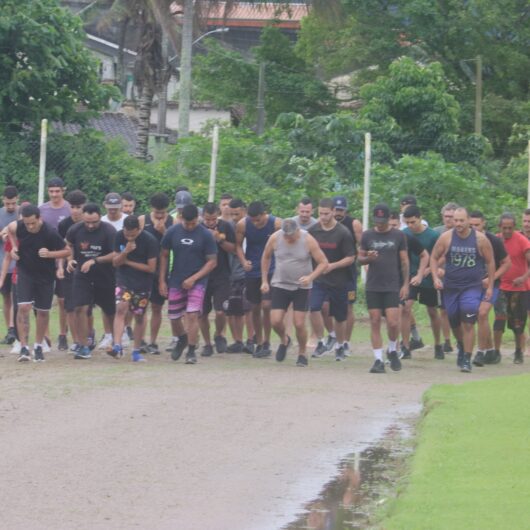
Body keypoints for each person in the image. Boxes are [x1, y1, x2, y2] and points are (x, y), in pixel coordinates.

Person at [430, 207, 495, 372]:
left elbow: (490, 262)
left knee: (468, 321)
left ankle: (466, 357)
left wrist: (490, 286)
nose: (458, 224)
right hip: (451, 287)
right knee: (453, 320)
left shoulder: (480, 239)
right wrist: (436, 278)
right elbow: (433, 257)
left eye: (461, 220)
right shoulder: (446, 237)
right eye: (455, 220)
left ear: (468, 221)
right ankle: (460, 344)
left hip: (472, 287)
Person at [261, 219, 328, 366]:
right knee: (275, 321)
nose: (287, 238)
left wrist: (310, 277)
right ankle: (285, 340)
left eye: (290, 235)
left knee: (299, 323)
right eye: (285, 235)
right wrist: (264, 280)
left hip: (301, 287)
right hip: (280, 284)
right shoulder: (275, 238)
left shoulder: (308, 239)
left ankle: (302, 353)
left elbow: (323, 262)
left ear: (297, 231)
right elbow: (265, 257)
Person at [8, 205, 69, 362]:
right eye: (27, 223)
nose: (30, 226)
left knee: (42, 311)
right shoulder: (19, 226)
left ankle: (38, 346)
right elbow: (10, 229)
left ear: (39, 218)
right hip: (25, 272)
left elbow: (67, 251)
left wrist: (50, 254)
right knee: (23, 307)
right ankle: (23, 347)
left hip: (45, 276)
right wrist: (14, 247)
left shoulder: (49, 232)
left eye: (32, 223)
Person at [159, 204, 218, 364]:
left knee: (192, 315)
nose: (190, 226)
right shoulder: (173, 232)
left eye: (193, 223)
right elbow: (164, 255)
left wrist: (194, 278)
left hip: (198, 281)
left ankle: (191, 351)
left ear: (198, 219)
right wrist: (162, 280)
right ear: (181, 219)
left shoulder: (205, 235)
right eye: (187, 223)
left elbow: (212, 262)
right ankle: (182, 339)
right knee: (174, 317)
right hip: (176, 279)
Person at [359, 204, 409, 373]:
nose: (379, 224)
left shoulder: (398, 235)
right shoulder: (367, 235)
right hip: (373, 284)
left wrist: (406, 283)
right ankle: (378, 360)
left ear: (389, 219)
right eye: (377, 221)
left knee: (393, 322)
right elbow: (359, 259)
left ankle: (393, 349)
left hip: (392, 284)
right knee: (374, 320)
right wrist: (368, 258)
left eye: (382, 221)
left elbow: (404, 261)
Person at [66, 203, 117, 360]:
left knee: (110, 311)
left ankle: (116, 344)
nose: (90, 225)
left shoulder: (109, 230)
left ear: (99, 218)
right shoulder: (75, 229)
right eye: (87, 221)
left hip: (105, 275)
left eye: (94, 222)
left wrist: (95, 260)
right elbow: (68, 246)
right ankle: (83, 346)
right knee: (80, 308)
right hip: (82, 275)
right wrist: (69, 260)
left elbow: (116, 253)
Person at [308, 198, 356, 361]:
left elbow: (350, 257)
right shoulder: (313, 231)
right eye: (321, 213)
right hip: (319, 279)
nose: (323, 217)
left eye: (327, 213)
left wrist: (333, 266)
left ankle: (340, 346)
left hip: (339, 280)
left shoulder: (343, 232)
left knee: (340, 316)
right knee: (314, 308)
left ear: (333, 212)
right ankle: (321, 342)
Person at [235, 201, 282, 358]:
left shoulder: (276, 223)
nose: (255, 223)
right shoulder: (243, 225)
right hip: (252, 270)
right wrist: (243, 261)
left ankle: (268, 341)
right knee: (254, 307)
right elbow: (238, 246)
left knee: (267, 305)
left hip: (272, 268)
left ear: (264, 214)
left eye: (258, 220)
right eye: (252, 220)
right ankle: (259, 342)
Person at [109, 215, 158, 362]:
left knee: (139, 316)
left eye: (133, 235)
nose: (129, 237)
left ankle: (136, 350)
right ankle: (117, 346)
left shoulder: (150, 240)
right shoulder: (119, 236)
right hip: (124, 280)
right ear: (123, 229)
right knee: (121, 308)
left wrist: (128, 262)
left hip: (143, 283)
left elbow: (151, 268)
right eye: (127, 234)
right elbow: (115, 263)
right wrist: (125, 252)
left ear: (139, 229)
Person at [469, 211, 510, 366]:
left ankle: (480, 352)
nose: (474, 228)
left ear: (484, 223)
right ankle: (491, 350)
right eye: (471, 225)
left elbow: (507, 263)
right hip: (472, 284)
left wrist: (491, 278)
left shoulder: (494, 240)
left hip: (492, 283)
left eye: (477, 225)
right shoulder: (464, 240)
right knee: (476, 317)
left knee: (482, 313)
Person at [402, 205, 444, 359]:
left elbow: (440, 256)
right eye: (407, 223)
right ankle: (405, 346)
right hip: (410, 277)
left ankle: (438, 344)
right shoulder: (404, 234)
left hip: (427, 277)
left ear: (420, 218)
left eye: (413, 222)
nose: (410, 226)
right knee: (406, 308)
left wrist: (428, 271)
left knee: (432, 311)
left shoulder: (432, 235)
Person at [138, 192, 174, 354]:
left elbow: (174, 245)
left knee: (157, 307)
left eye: (163, 213)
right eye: (157, 212)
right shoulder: (142, 220)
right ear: (151, 208)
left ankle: (153, 342)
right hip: (144, 269)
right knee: (141, 307)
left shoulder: (173, 222)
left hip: (162, 269)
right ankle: (141, 341)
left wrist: (164, 231)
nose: (160, 216)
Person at [199, 202, 236, 356]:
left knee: (221, 311)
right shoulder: (198, 228)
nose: (210, 222)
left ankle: (219, 334)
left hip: (222, 275)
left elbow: (233, 248)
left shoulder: (226, 226)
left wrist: (219, 239)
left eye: (213, 219)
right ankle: (207, 343)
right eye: (207, 219)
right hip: (202, 275)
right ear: (203, 217)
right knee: (202, 313)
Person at [493, 213, 530, 364]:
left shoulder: (522, 241)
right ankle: (496, 352)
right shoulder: (496, 240)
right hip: (501, 286)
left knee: (518, 323)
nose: (507, 231)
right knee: (499, 320)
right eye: (504, 228)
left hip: (519, 289)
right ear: (499, 227)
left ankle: (518, 351)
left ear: (514, 227)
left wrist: (524, 277)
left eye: (510, 228)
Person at [39, 176, 71, 350]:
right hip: (45, 260)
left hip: (64, 258)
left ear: (63, 191)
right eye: (51, 191)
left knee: (63, 299)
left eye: (57, 191)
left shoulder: (68, 208)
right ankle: (45, 336)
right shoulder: (42, 209)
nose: (54, 194)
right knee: (43, 298)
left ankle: (63, 334)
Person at [57, 190, 88, 353]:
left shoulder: (90, 222)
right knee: (70, 306)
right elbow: (61, 248)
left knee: (86, 307)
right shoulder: (64, 225)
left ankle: (89, 337)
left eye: (79, 207)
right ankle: (76, 341)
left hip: (88, 270)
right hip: (69, 269)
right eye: (73, 207)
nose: (75, 210)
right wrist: (60, 267)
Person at [332, 195, 362, 355]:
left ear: (346, 210)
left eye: (341, 210)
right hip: (329, 271)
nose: (338, 213)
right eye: (336, 209)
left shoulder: (353, 223)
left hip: (348, 272)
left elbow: (362, 245)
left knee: (348, 306)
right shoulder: (325, 223)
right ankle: (333, 339)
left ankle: (346, 343)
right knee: (326, 306)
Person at [226, 198, 254, 353]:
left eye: (237, 214)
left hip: (248, 272)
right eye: (232, 214)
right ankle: (237, 340)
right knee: (233, 308)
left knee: (248, 308)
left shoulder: (251, 225)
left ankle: (251, 339)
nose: (235, 217)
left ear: (244, 210)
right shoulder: (229, 226)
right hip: (232, 272)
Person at [433, 201, 460, 354]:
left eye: (451, 216)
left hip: (458, 276)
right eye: (446, 216)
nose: (448, 219)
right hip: (441, 276)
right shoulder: (436, 232)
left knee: (458, 309)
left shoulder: (462, 232)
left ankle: (460, 340)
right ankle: (447, 341)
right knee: (443, 309)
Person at [0, 185, 19, 345]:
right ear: (3, 201)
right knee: (6, 298)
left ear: (17, 199)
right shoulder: (0, 214)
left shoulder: (23, 214)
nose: (11, 206)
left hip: (19, 265)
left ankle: (15, 329)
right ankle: (9, 332)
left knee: (16, 298)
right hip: (3, 264)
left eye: (13, 203)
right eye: (8, 204)